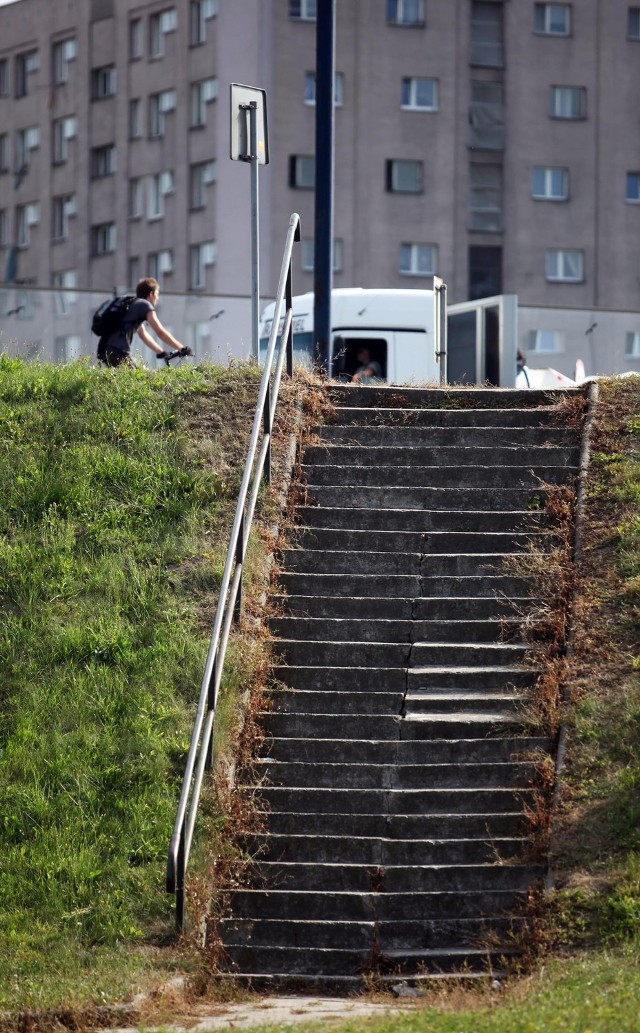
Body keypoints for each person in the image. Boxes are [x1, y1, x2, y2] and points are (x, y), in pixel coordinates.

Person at [100, 277, 192, 367]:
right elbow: (160, 332)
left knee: (136, 376)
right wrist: (181, 348)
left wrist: (161, 352)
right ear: (151, 294)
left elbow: (143, 335)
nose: (158, 298)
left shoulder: (134, 305)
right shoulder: (145, 305)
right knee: (140, 378)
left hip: (106, 350)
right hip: (119, 351)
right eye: (157, 294)